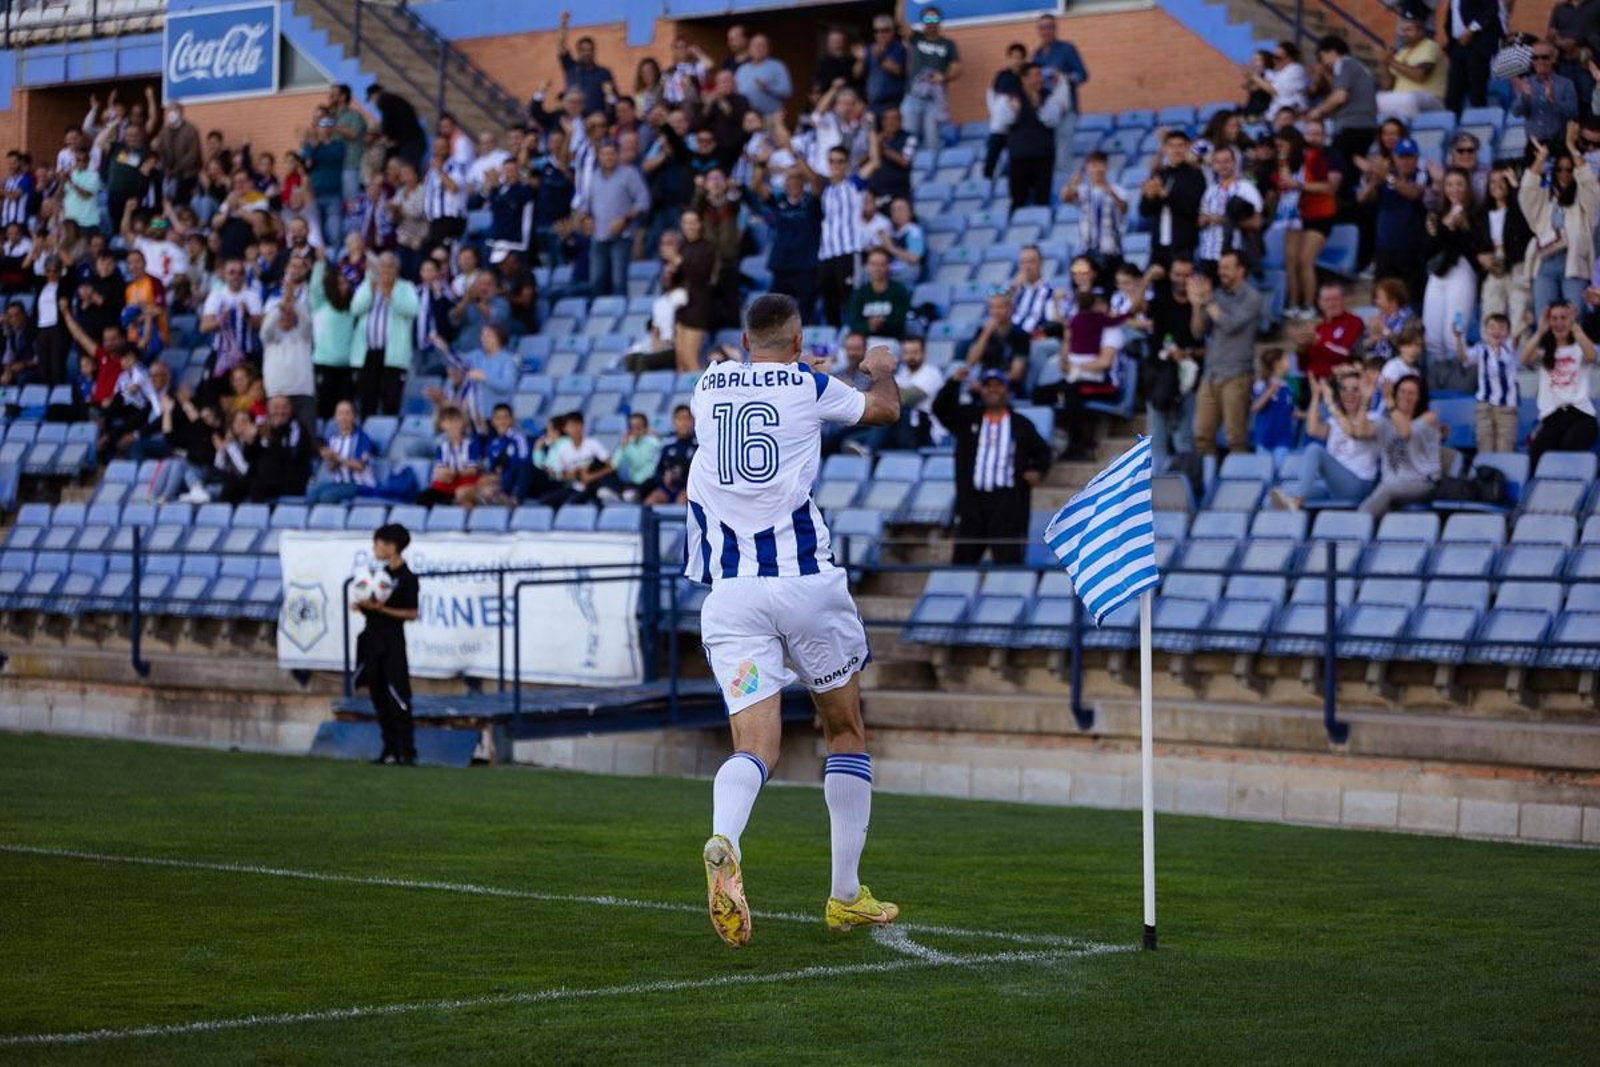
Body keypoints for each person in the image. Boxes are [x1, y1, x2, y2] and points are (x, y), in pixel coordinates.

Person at [691, 293, 902, 949]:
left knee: (755, 748)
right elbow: (884, 411)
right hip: (805, 582)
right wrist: (881, 367)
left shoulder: (707, 384)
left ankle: (726, 836)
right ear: (800, 339)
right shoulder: (809, 383)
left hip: (732, 595)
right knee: (844, 729)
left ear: (744, 338)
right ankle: (844, 895)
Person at [934, 366, 1051, 565]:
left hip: (1008, 503)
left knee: (1008, 564)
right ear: (981, 390)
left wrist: (1038, 470)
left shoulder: (1021, 424)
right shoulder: (968, 418)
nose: (993, 390)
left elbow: (1043, 451)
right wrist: (954, 382)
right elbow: (941, 409)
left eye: (998, 386)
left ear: (1006, 390)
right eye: (988, 386)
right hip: (972, 502)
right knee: (963, 564)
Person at [354, 523, 421, 766]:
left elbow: (412, 613)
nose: (375, 548)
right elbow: (372, 607)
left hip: (392, 643)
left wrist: (384, 609)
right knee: (378, 696)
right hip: (372, 640)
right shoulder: (377, 576)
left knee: (399, 697)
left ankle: (407, 751)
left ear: (392, 547)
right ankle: (389, 749)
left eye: (378, 544)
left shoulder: (407, 578)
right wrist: (363, 606)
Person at [1271, 370, 1381, 510]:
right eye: (1344, 390)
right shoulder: (1334, 421)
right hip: (1334, 486)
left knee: (1315, 450)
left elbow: (1353, 432)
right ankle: (1293, 510)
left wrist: (1331, 405)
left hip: (1358, 485)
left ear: (1364, 392)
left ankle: (1296, 501)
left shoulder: (1374, 418)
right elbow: (1312, 429)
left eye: (1355, 390)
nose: (1349, 395)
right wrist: (1316, 396)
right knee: (1282, 495)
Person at [1190, 252, 1265, 457]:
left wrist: (1207, 301)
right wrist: (1197, 305)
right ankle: (1208, 483)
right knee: (1202, 436)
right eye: (1220, 267)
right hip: (1211, 374)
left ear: (1241, 270)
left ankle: (1240, 484)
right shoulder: (1215, 295)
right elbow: (1197, 331)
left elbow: (1230, 324)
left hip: (1237, 375)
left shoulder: (1253, 297)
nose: (1221, 272)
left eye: (1226, 267)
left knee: (1235, 437)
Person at [1521, 131, 1598, 320]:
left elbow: (1590, 186)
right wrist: (1541, 158)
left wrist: (1573, 150)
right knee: (1544, 320)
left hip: (1574, 264)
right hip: (1545, 264)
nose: (1564, 174)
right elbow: (1527, 190)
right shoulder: (1545, 197)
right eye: (1559, 170)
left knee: (1574, 320)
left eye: (1569, 170)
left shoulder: (1583, 201)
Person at [1521, 301, 1598, 474]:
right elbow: (1524, 359)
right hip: (1553, 418)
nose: (1559, 323)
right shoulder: (1544, 351)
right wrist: (1540, 331)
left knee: (1568, 447)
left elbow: (1592, 356)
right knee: (1536, 453)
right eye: (1554, 318)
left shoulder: (1580, 347)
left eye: (1564, 318)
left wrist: (1575, 327)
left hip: (1581, 415)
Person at [1273, 126, 1339, 319]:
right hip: (1295, 217)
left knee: (1305, 260)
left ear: (1292, 143)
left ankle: (1309, 305)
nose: (1280, 150)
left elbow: (1327, 186)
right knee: (1290, 261)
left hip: (1319, 217)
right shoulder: (1283, 163)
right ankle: (1293, 304)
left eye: (1282, 146)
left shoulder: (1313, 158)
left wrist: (1300, 185)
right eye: (1278, 147)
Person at [1357, 374, 1443, 517]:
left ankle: (1354, 530)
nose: (1405, 396)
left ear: (1419, 398)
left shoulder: (1429, 418)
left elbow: (1405, 432)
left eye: (1411, 393)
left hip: (1422, 482)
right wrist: (1365, 399)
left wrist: (1389, 401)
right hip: (1391, 483)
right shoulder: (1385, 421)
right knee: (1385, 489)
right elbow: (1360, 432)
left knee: (1386, 490)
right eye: (1401, 392)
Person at [1361, 137, 1428, 312]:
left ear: (1416, 158)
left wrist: (1388, 177)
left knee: (1413, 298)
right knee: (1381, 295)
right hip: (1385, 247)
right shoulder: (1385, 177)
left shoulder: (1421, 175)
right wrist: (1374, 180)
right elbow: (1362, 198)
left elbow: (1413, 193)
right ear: (1395, 158)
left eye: (1410, 156)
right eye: (1402, 157)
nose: (1406, 161)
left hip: (1411, 248)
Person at [576, 138, 650, 298]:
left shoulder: (629, 174)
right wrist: (585, 219)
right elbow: (585, 205)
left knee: (618, 283)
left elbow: (644, 201)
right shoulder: (592, 177)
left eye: (611, 154)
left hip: (622, 236)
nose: (608, 157)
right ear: (599, 156)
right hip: (598, 237)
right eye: (604, 154)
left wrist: (625, 218)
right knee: (596, 282)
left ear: (618, 155)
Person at [350, 252, 419, 416]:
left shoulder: (406, 287)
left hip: (393, 357)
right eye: (382, 266)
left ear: (397, 269)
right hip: (368, 355)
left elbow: (412, 310)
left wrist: (390, 295)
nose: (386, 270)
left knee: (390, 402)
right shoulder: (368, 285)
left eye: (390, 266)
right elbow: (355, 309)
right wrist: (371, 292)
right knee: (367, 403)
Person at [1476, 167, 1533, 343]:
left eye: (1502, 180)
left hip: (1517, 265)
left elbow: (1525, 226)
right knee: (1492, 311)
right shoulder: (1482, 214)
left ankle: (1520, 359)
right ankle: (1492, 356)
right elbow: (1474, 243)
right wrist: (1480, 257)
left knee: (1519, 310)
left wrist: (1516, 188)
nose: (1497, 185)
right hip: (1493, 267)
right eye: (1493, 181)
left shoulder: (1518, 209)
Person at [1004, 63, 1070, 213]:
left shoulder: (1048, 96)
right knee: (1018, 199)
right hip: (1019, 156)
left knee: (1043, 198)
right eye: (1035, 75)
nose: (1040, 79)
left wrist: (1038, 104)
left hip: (1043, 155)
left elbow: (1051, 119)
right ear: (1024, 79)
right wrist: (1015, 109)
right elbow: (1004, 121)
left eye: (1040, 75)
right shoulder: (1012, 97)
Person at [1306, 36, 1379, 166]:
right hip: (1364, 126)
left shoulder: (1344, 64)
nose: (1323, 63)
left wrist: (1317, 111)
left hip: (1352, 126)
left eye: (1322, 57)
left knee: (1336, 168)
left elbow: (1340, 96)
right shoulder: (1357, 66)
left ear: (1332, 52)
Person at [1139, 129, 1206, 265]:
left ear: (1188, 147)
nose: (1176, 150)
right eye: (1171, 146)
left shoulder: (1195, 175)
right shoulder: (1159, 174)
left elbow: (1191, 208)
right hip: (1158, 246)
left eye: (1180, 145)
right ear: (1164, 149)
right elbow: (1144, 211)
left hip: (1184, 246)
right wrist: (1149, 197)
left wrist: (1165, 195)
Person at [1033, 12, 1087, 178]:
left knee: (1063, 150)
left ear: (1055, 29)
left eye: (1049, 27)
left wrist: (1062, 76)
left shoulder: (1067, 49)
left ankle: (1064, 189)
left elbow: (1082, 75)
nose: (1046, 31)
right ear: (1038, 31)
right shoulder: (1036, 54)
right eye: (1042, 28)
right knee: (1049, 150)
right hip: (1046, 111)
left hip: (1065, 109)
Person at [1456, 312, 1520, 453]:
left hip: (1507, 408)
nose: (1496, 331)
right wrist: (1458, 338)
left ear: (1508, 332)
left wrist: (1525, 324)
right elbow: (1463, 358)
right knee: (1485, 449)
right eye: (1492, 327)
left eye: (1502, 328)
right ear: (1484, 331)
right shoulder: (1480, 349)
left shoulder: (1510, 347)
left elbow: (1518, 336)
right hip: (1484, 407)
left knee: (1505, 450)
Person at [901, 6, 961, 151]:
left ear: (940, 20)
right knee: (908, 136)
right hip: (913, 95)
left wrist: (943, 78)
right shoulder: (917, 37)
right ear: (922, 21)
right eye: (928, 18)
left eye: (934, 18)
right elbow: (901, 23)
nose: (931, 21)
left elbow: (957, 69)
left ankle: (932, 170)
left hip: (934, 100)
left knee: (933, 140)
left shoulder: (948, 44)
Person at [664, 208, 716, 371]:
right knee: (680, 360)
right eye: (686, 222)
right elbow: (674, 282)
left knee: (690, 359)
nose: (689, 226)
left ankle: (703, 394)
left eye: (693, 222)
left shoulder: (707, 248)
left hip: (698, 306)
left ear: (700, 224)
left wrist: (679, 261)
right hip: (681, 307)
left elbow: (701, 275)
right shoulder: (682, 247)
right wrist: (669, 273)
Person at [1375, 8, 1447, 121]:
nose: (1404, 34)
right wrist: (1383, 63)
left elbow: (1420, 76)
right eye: (1403, 30)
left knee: (1408, 99)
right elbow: (1387, 86)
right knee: (1376, 99)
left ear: (1421, 32)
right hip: (1403, 100)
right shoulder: (1402, 52)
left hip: (1431, 99)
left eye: (1409, 30)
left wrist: (1391, 61)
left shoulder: (1430, 46)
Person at [1061, 150, 1126, 267]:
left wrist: (1111, 192)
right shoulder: (1083, 190)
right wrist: (1072, 183)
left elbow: (1123, 209)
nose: (1097, 169)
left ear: (1106, 166)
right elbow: (1065, 197)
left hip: (1112, 249)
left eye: (1100, 164)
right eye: (1093, 165)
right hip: (1088, 250)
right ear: (1088, 168)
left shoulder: (1118, 189)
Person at [310, 259, 357, 420]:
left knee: (346, 409)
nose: (344, 286)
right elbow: (315, 287)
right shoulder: (321, 305)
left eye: (345, 282)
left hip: (346, 368)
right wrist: (319, 263)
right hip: (324, 366)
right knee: (324, 409)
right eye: (340, 283)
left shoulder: (352, 306)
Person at [309, 399, 378, 505]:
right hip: (339, 483)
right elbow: (332, 469)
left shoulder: (362, 438)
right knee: (311, 494)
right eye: (340, 414)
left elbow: (360, 466)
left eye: (347, 414)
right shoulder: (333, 439)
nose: (343, 418)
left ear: (354, 417)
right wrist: (330, 459)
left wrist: (336, 457)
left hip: (360, 484)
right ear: (335, 417)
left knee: (327, 497)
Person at [1510, 44, 1578, 146]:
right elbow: (1516, 112)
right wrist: (1525, 98)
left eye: (1545, 57)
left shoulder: (1566, 84)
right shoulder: (1526, 83)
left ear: (1553, 59)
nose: (1540, 61)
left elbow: (1573, 113)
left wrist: (1553, 101)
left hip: (1558, 144)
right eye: (1535, 58)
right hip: (1534, 144)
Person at [1301, 281, 1365, 381]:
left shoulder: (1353, 322)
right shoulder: (1319, 328)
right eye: (1327, 300)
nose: (1331, 304)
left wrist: (1318, 343)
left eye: (1335, 299)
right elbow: (1305, 366)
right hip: (1316, 381)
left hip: (1341, 380)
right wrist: (1301, 349)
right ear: (1320, 303)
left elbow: (1345, 355)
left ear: (1343, 300)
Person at [965, 292, 1029, 391]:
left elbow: (1016, 374)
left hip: (1006, 385)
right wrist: (985, 334)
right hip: (983, 382)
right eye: (992, 308)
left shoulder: (1021, 335)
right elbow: (971, 362)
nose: (995, 312)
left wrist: (991, 384)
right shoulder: (981, 332)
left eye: (1000, 307)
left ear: (1010, 309)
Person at [1445, 0, 1501, 113]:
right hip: (1458, 45)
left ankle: (1479, 124)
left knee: (1477, 89)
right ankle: (1455, 124)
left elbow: (1490, 9)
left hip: (1477, 45)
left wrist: (1472, 29)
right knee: (1453, 92)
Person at [844, 247, 911, 339]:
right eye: (873, 264)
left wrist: (881, 324)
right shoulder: (859, 293)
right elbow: (853, 322)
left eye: (881, 264)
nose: (877, 268)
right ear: (867, 267)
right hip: (864, 342)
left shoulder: (899, 291)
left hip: (891, 340)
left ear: (888, 266)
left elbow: (900, 321)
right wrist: (869, 327)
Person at [642, 404, 697, 506]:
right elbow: (657, 471)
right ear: (674, 421)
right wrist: (664, 477)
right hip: (667, 489)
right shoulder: (666, 444)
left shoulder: (698, 444)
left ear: (692, 421)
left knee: (682, 502)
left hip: (689, 488)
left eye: (687, 419)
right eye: (680, 419)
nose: (684, 423)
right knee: (649, 503)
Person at [857, 14, 908, 114]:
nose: (880, 34)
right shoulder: (869, 48)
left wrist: (880, 58)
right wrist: (861, 60)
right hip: (872, 104)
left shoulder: (899, 48)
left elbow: (898, 70)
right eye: (877, 31)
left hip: (892, 104)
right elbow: (857, 74)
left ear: (892, 31)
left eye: (885, 30)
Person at [735, 34, 791, 118]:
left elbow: (787, 91)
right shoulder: (742, 69)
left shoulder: (777, 66)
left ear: (768, 49)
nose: (758, 49)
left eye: (762, 46)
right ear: (749, 49)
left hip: (770, 116)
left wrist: (768, 88)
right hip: (746, 118)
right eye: (755, 46)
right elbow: (735, 91)